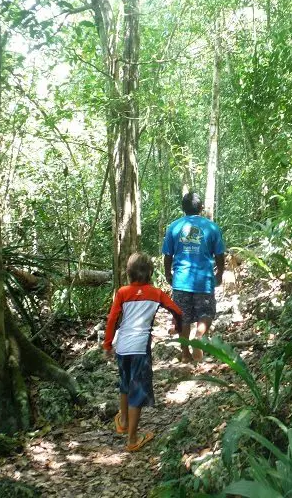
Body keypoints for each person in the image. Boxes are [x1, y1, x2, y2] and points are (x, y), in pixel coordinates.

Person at [103, 252, 182, 451]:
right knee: (137, 392)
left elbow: (112, 319)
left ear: (128, 273)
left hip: (122, 345)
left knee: (125, 383)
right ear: (150, 273)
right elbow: (178, 311)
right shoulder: (156, 293)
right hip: (140, 347)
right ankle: (132, 440)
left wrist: (107, 344)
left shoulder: (122, 292)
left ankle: (122, 422)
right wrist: (177, 327)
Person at [162, 191, 225, 363]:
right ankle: (198, 336)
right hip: (203, 280)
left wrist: (168, 274)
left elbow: (168, 256)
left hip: (181, 280)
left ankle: (185, 353)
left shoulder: (173, 227)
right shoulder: (212, 227)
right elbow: (220, 254)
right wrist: (220, 272)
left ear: (183, 208)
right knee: (206, 312)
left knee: (183, 317)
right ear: (201, 207)